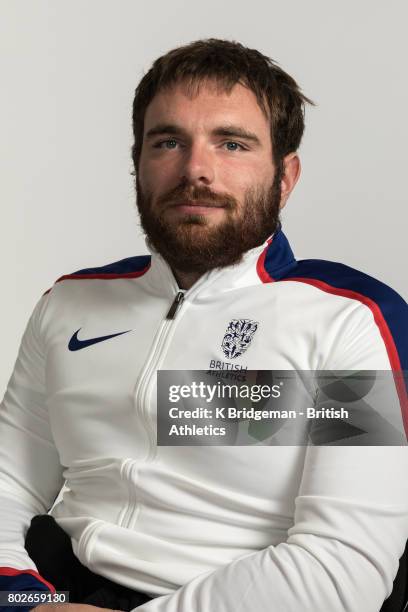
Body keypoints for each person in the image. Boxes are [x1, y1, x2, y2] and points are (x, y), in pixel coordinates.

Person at [0, 38, 407, 612]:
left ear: (285, 176)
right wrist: (20, 599)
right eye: (168, 141)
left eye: (232, 143)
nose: (196, 170)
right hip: (56, 591)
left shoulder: (353, 321)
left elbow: (342, 570)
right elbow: (8, 484)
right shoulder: (69, 303)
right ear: (138, 161)